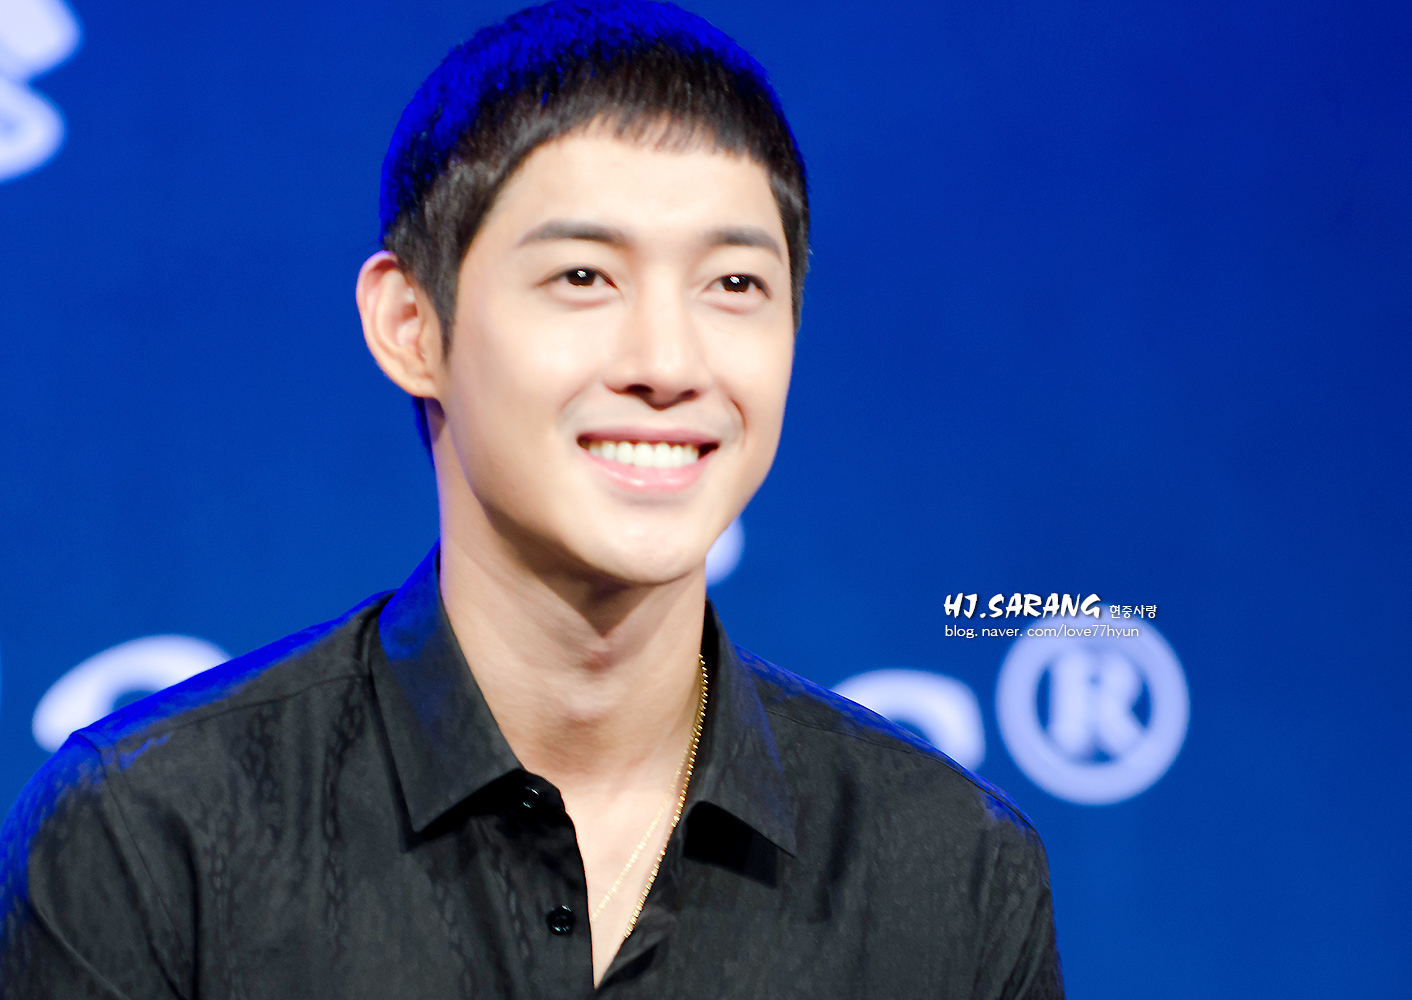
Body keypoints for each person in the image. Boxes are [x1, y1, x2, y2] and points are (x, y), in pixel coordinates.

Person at [0, 2, 1062, 996]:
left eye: (733, 285)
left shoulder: (954, 870)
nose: (667, 363)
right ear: (411, 327)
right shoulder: (154, 836)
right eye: (583, 278)